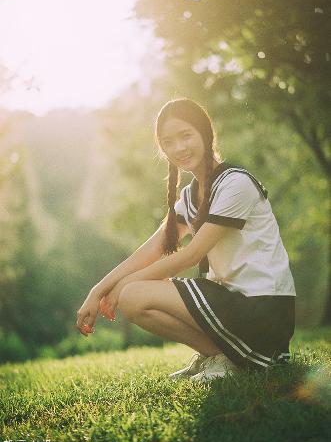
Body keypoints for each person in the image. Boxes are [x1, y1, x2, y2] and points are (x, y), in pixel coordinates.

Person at [76, 98, 296, 382]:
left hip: (262, 308)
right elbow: (154, 248)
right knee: (132, 299)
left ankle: (233, 358)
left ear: (206, 133)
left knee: (131, 293)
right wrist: (99, 289)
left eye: (186, 135)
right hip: (230, 302)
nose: (178, 147)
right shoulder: (190, 195)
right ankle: (219, 356)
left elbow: (191, 255)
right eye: (168, 141)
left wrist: (125, 285)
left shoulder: (235, 183)